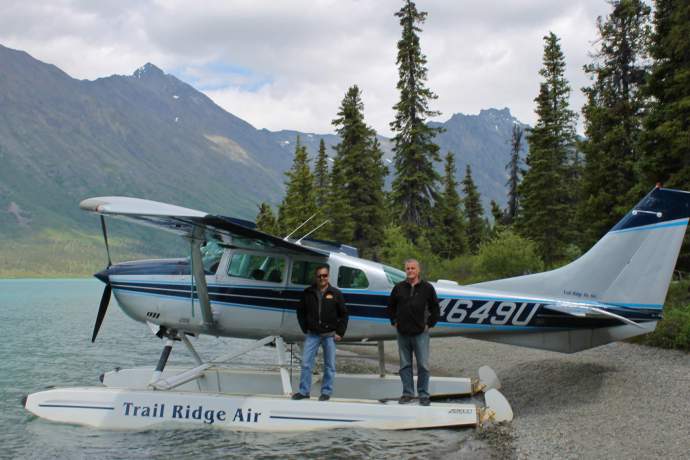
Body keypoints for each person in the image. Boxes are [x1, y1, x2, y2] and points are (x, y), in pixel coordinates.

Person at [386, 258, 440, 406]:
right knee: (405, 365)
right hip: (402, 333)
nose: (410, 271)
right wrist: (394, 321)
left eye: (413, 268)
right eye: (408, 268)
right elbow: (390, 307)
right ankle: (407, 393)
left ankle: (423, 394)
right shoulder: (398, 287)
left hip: (420, 333)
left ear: (418, 270)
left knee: (423, 365)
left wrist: (429, 324)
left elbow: (435, 309)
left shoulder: (427, 288)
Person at [292, 264, 348, 401]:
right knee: (305, 363)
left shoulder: (336, 293)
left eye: (325, 275)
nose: (322, 278)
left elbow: (344, 314)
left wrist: (340, 332)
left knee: (330, 366)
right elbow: (300, 311)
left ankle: (326, 392)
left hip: (329, 335)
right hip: (313, 334)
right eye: (319, 276)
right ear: (316, 277)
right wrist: (304, 327)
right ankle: (304, 391)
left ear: (328, 277)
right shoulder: (307, 292)